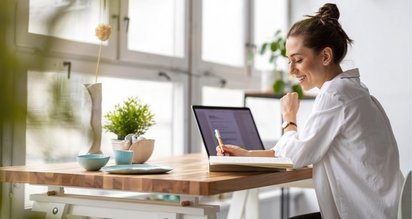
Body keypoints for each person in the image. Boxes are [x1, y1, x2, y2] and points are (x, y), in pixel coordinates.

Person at [216, 3, 404, 219]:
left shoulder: (334, 94)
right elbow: (305, 147)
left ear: (325, 57)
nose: (291, 70)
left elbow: (296, 155)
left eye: (298, 60)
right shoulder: (353, 91)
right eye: (289, 61)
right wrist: (247, 155)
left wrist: (289, 119)